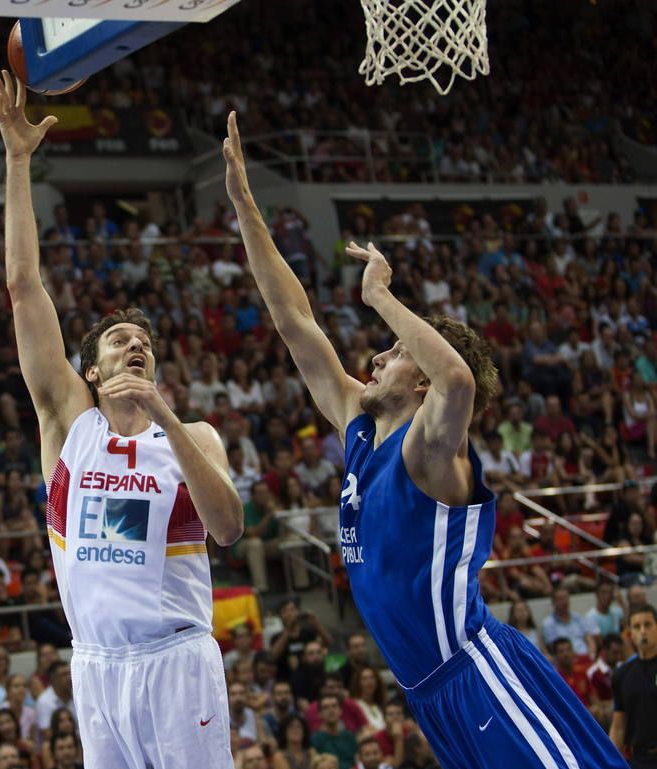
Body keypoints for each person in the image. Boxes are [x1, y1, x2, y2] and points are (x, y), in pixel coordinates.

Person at [224, 111, 629, 769]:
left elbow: (458, 379)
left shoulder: (430, 448)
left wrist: (382, 297)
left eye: (394, 353)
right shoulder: (359, 425)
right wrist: (245, 205)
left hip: (476, 671)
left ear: (421, 382)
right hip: (427, 695)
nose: (376, 358)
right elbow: (294, 320)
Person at [0, 71, 243, 769]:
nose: (136, 345)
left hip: (178, 660)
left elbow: (228, 528)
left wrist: (162, 412)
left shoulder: (194, 437)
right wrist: (17, 160)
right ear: (92, 373)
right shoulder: (68, 425)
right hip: (96, 666)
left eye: (145, 342)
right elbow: (22, 286)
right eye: (118, 341)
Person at [610, 605, 657, 768]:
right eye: (637, 627)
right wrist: (609, 761)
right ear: (630, 634)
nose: (643, 631)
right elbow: (618, 726)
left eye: (648, 625)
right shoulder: (621, 675)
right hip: (638, 759)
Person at [309, 695, 358, 769]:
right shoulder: (314, 740)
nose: (331, 710)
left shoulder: (350, 737)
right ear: (319, 714)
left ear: (341, 711)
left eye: (334, 706)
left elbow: (358, 762)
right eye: (326, 707)